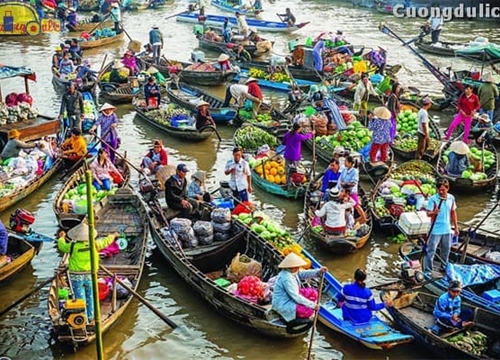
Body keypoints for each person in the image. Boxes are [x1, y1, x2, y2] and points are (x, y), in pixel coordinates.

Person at [58, 223, 119, 324]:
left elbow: (62, 246)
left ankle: (83, 319)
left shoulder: (72, 246)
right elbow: (106, 241)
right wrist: (113, 235)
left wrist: (61, 238)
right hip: (90, 276)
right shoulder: (95, 244)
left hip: (76, 277)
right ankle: (91, 316)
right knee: (91, 296)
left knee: (79, 298)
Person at [271, 252, 327, 324]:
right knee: (308, 311)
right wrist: (313, 305)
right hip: (283, 303)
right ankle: (291, 318)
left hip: (291, 296)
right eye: (297, 267)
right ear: (292, 267)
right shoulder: (287, 278)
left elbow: (303, 274)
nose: (298, 268)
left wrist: (319, 271)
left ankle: (304, 306)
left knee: (313, 292)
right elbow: (296, 296)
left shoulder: (293, 272)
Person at [424, 178, 459, 273]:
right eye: (439, 190)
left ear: (447, 189)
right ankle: (428, 270)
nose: (441, 192)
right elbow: (428, 213)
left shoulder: (451, 198)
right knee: (431, 250)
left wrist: (456, 227)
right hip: (435, 229)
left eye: (443, 190)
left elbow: (453, 212)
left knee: (446, 249)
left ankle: (443, 267)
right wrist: (434, 212)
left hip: (447, 229)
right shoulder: (433, 199)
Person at [282, 123, 314, 187]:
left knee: (288, 170)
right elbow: (306, 137)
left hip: (288, 155)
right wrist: (312, 133)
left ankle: (288, 184)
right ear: (298, 129)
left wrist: (289, 144)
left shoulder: (287, 134)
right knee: (295, 171)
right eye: (300, 128)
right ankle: (295, 184)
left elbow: (283, 143)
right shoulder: (298, 136)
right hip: (295, 157)